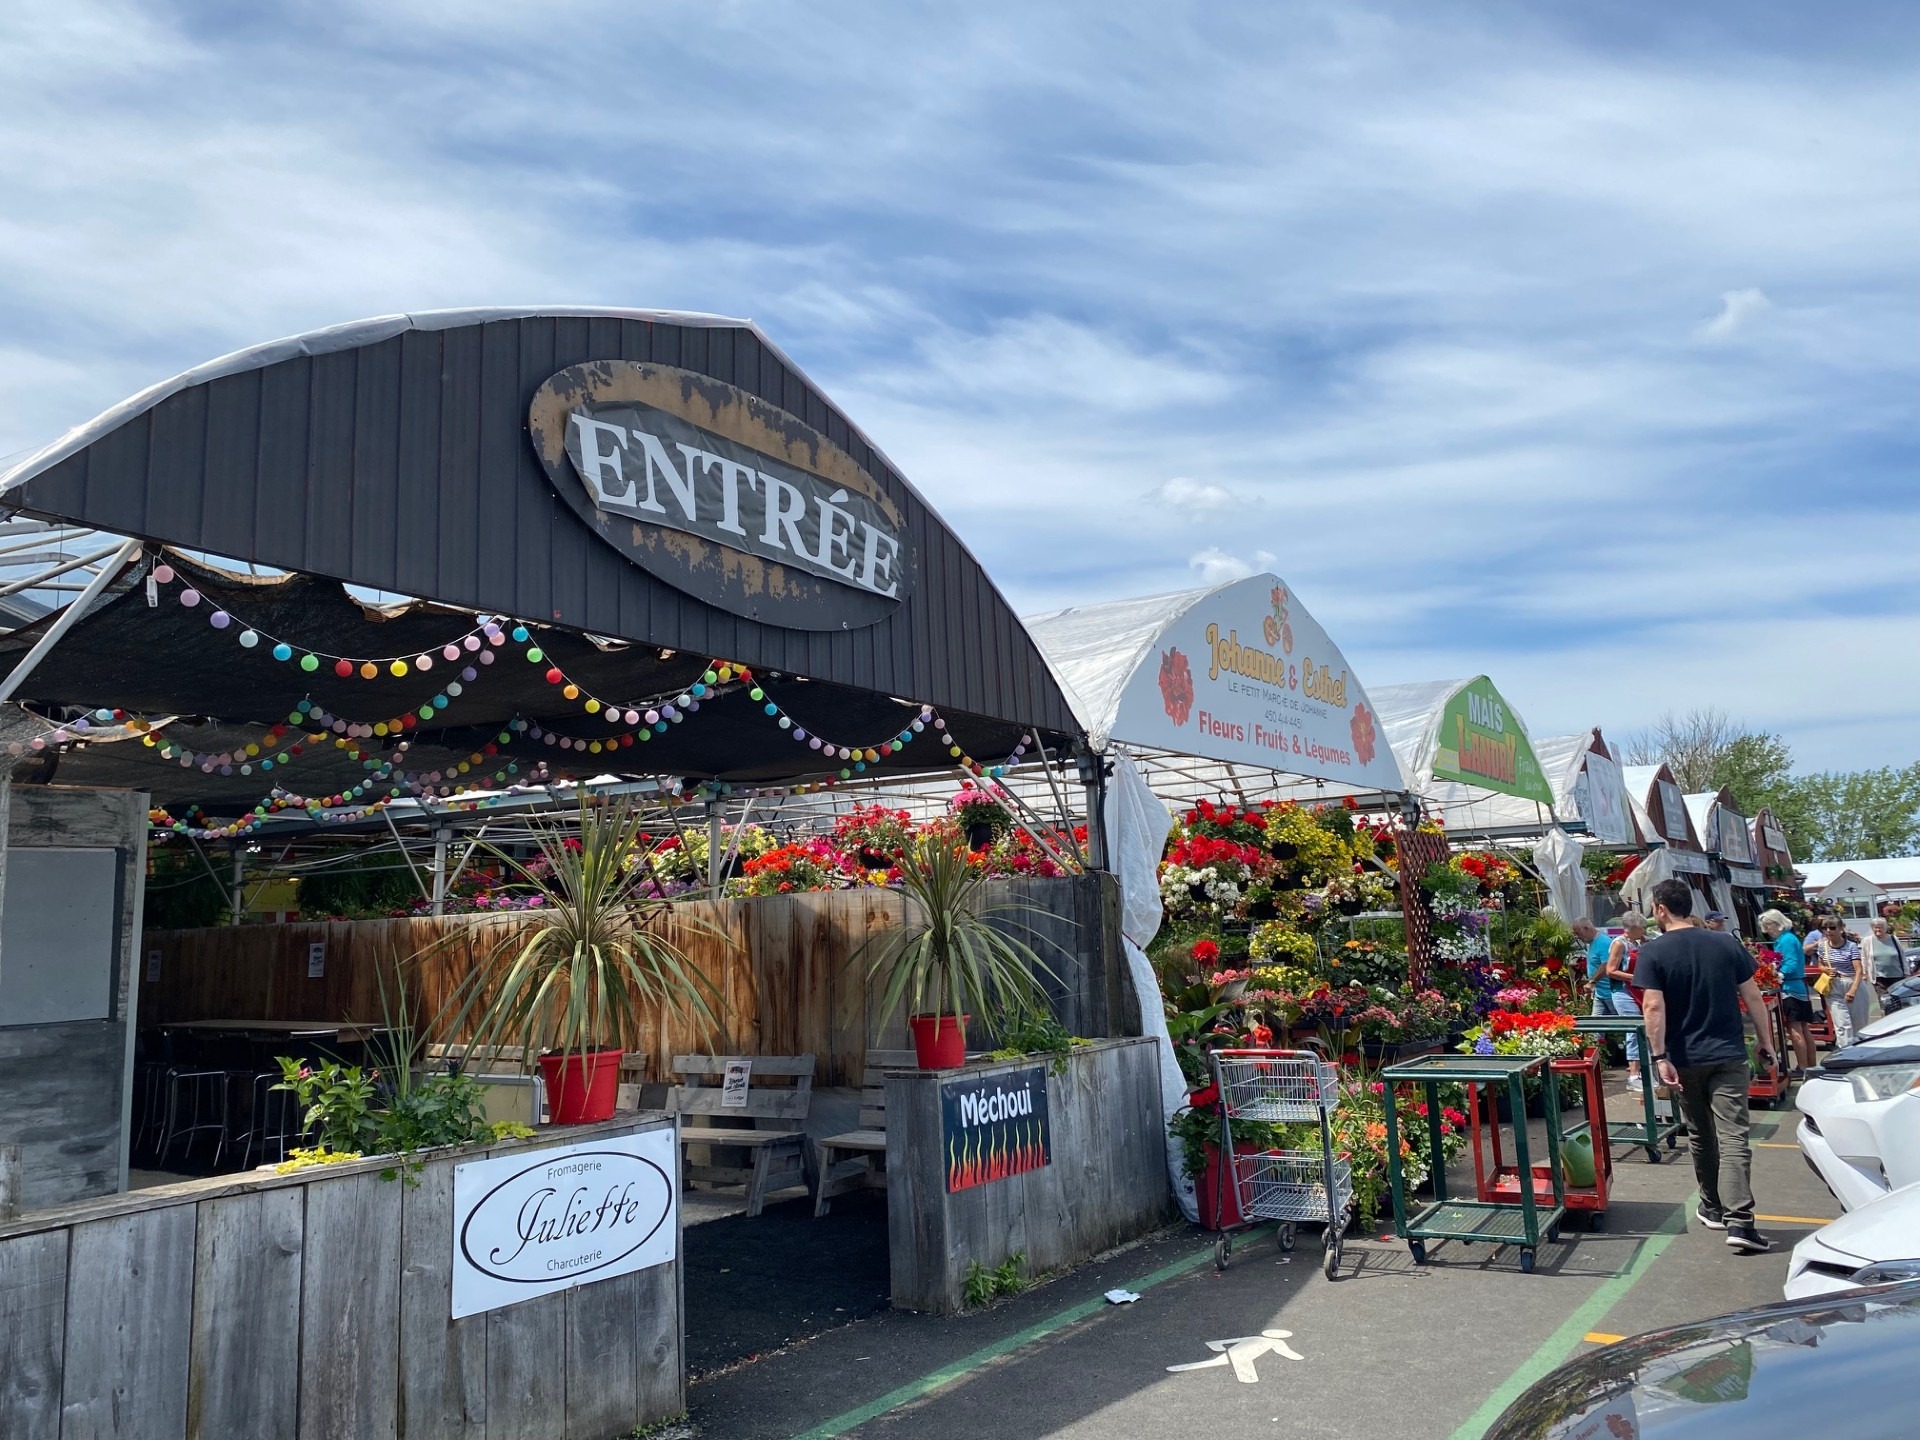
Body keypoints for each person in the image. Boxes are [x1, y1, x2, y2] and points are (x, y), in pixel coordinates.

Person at [1640, 878, 1777, 1253]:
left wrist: (1659, 1056)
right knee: (1733, 1135)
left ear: (1661, 908)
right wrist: (1765, 1043)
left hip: (1685, 1057)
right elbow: (1752, 995)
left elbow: (1653, 1006)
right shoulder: (1725, 943)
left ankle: (1713, 1207)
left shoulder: (1654, 952)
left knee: (1700, 1133)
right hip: (1727, 1052)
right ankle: (1741, 1220)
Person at [1759, 909, 1814, 1072]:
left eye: (1768, 926)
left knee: (1795, 1029)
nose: (1767, 930)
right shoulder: (1788, 938)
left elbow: (1790, 964)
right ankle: (1810, 1065)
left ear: (1777, 924)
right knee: (1803, 1028)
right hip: (1798, 987)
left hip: (1791, 988)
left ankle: (1803, 1066)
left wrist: (1775, 976)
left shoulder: (1786, 940)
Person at [1600, 912, 1648, 1090]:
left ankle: (1645, 1071)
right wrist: (1634, 977)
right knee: (1634, 1029)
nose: (1644, 929)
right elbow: (1611, 970)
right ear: (1632, 928)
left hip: (1638, 990)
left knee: (1645, 1029)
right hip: (1623, 992)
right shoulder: (1619, 943)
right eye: (1641, 926)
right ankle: (1633, 1075)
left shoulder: (1639, 942)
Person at [1811, 916, 1869, 1047]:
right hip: (1834, 984)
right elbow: (1820, 965)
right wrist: (1826, 970)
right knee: (1842, 1023)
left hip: (1852, 983)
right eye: (1824, 928)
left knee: (1858, 1024)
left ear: (1841, 928)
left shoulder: (1851, 946)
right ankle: (1846, 1053)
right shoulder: (1822, 946)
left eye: (1832, 928)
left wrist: (1853, 990)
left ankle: (1860, 1050)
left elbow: (1859, 970)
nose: (1828, 931)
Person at [1865, 917, 1907, 995]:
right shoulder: (1868, 941)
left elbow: (1902, 956)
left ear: (1885, 928)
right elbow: (1864, 958)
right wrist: (1864, 974)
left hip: (1898, 977)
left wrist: (1907, 972)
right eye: (1875, 927)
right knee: (1884, 1000)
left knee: (1898, 1001)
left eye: (1880, 927)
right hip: (1879, 979)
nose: (1878, 930)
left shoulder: (1894, 939)